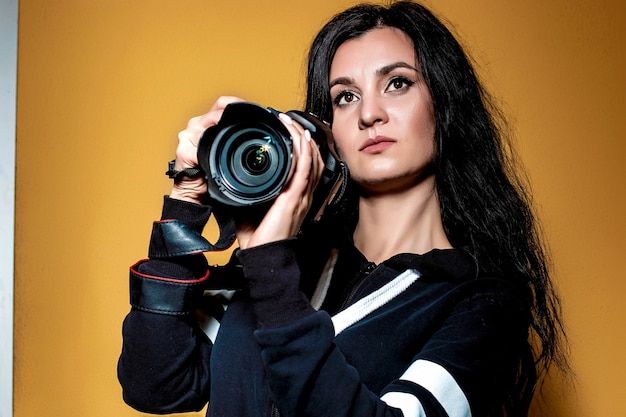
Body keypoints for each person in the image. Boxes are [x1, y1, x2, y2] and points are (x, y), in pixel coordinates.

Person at [118, 2, 569, 416]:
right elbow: (156, 385)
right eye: (345, 96)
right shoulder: (279, 260)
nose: (369, 113)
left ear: (444, 106)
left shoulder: (480, 302)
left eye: (397, 83)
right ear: (328, 129)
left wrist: (271, 267)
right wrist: (186, 202)